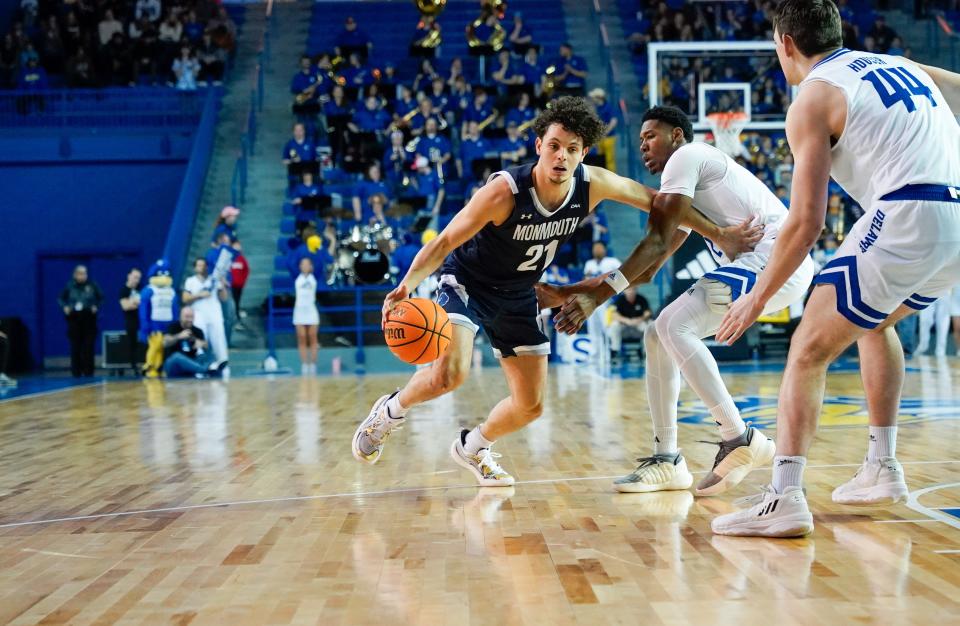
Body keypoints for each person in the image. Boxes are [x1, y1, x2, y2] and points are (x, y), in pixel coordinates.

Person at [350, 97, 762, 485]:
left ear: (583, 153)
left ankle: (473, 447)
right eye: (553, 146)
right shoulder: (504, 192)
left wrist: (719, 232)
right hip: (469, 283)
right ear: (539, 146)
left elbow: (662, 204)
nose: (561, 156)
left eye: (571, 148)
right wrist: (406, 284)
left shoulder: (593, 183)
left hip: (519, 293)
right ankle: (388, 413)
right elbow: (444, 242)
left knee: (530, 405)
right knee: (450, 375)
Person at [707, 0, 960, 537]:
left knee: (807, 349)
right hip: (955, 217)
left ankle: (785, 497)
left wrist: (756, 298)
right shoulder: (903, 66)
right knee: (872, 323)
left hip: (907, 211)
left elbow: (806, 223)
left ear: (786, 44)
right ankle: (883, 467)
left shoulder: (813, 97)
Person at [546, 104, 812, 496]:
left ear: (675, 135)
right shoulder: (690, 193)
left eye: (649, 136)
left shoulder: (687, 156)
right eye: (639, 141)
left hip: (774, 256)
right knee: (659, 335)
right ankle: (667, 457)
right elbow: (651, 267)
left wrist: (595, 300)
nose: (643, 147)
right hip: (775, 265)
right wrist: (573, 292)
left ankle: (738, 436)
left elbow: (653, 241)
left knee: (673, 325)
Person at [182, 258, 229, 367]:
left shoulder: (214, 280)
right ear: (195, 268)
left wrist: (222, 286)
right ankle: (201, 360)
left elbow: (224, 298)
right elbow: (185, 298)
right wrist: (199, 295)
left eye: (203, 265)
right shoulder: (190, 281)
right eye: (198, 265)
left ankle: (222, 360)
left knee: (219, 336)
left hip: (214, 312)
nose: (201, 268)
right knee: (200, 335)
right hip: (198, 313)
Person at [58, 265, 103, 377]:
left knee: (88, 346)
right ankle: (76, 372)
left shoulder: (92, 285)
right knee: (75, 346)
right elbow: (61, 298)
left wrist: (96, 306)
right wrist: (65, 307)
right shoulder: (70, 286)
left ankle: (89, 371)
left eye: (85, 273)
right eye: (81, 273)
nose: (84, 275)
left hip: (89, 318)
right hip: (74, 318)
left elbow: (101, 297)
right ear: (75, 274)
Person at [582, 241, 620, 362]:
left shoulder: (612, 261)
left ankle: (610, 355)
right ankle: (595, 355)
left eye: (599, 248)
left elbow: (622, 274)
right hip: (591, 300)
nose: (597, 250)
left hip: (606, 300)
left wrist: (608, 283)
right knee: (593, 328)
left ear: (604, 249)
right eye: (595, 248)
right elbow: (586, 280)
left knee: (607, 327)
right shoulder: (589, 263)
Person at [162, 307, 225, 378]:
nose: (189, 319)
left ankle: (212, 365)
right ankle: (206, 369)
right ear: (180, 317)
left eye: (191, 317)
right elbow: (165, 343)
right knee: (177, 356)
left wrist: (202, 344)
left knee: (205, 356)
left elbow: (206, 347)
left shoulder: (197, 331)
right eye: (187, 317)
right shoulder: (173, 327)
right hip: (173, 365)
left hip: (191, 361)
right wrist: (179, 336)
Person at [608, 286, 651, 363]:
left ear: (636, 290)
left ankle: (645, 351)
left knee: (648, 326)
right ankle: (615, 351)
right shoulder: (620, 300)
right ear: (624, 291)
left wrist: (639, 319)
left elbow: (647, 313)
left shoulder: (641, 299)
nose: (631, 292)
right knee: (614, 325)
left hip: (638, 324)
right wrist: (627, 320)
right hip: (624, 325)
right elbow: (614, 314)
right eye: (629, 290)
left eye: (633, 289)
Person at [294, 257, 320, 375]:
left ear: (311, 267)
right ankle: (304, 364)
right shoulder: (297, 278)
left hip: (311, 310)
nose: (304, 266)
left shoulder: (314, 278)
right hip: (299, 311)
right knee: (302, 338)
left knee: (312, 337)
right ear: (299, 266)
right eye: (302, 264)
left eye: (307, 264)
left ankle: (313, 364)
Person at [119, 267, 143, 374]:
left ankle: (142, 364)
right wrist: (136, 302)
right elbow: (125, 306)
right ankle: (132, 366)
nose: (136, 280)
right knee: (131, 343)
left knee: (142, 343)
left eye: (138, 278)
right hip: (130, 320)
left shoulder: (141, 288)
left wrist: (133, 302)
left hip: (141, 320)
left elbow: (144, 304)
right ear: (129, 276)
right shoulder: (124, 290)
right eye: (134, 277)